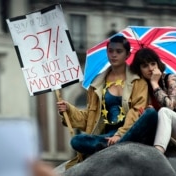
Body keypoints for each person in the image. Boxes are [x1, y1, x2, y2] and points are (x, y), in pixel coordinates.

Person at [57, 35, 156, 169]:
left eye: (119, 51)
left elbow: (136, 111)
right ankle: (111, 145)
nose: (114, 55)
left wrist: (120, 134)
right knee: (76, 141)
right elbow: (89, 118)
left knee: (150, 114)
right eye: (110, 51)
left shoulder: (138, 81)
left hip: (130, 132)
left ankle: (118, 143)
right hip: (106, 137)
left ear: (127, 54)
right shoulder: (96, 84)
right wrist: (68, 109)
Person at [129, 47, 176, 153]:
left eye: (153, 63)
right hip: (170, 139)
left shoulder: (171, 80)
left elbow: (169, 107)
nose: (150, 68)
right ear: (139, 70)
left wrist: (155, 83)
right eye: (145, 66)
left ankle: (157, 153)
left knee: (165, 112)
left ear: (158, 64)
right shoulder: (143, 89)